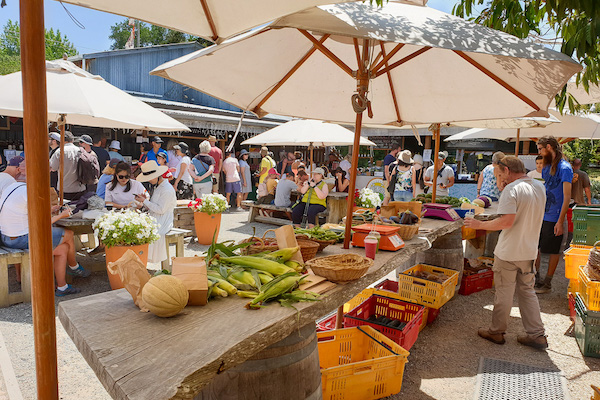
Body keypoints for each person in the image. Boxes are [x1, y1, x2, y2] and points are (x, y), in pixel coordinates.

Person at [465, 156, 548, 349]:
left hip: (509, 251)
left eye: (500, 174)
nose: (499, 179)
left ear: (507, 170)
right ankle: (537, 334)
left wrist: (479, 224)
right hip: (529, 251)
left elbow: (506, 221)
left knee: (504, 292)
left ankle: (497, 331)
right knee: (527, 292)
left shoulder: (512, 189)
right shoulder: (539, 187)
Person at [0, 159, 90, 296]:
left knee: (63, 248)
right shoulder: (31, 192)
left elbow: (27, 215)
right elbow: (42, 223)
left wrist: (50, 210)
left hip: (6, 237)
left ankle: (62, 287)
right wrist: (62, 215)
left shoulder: (13, 187)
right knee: (68, 234)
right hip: (20, 238)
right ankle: (74, 266)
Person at [535, 136, 573, 294]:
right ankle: (535, 277)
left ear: (549, 147)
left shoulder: (565, 168)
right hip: (541, 215)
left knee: (553, 251)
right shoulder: (546, 166)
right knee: (535, 247)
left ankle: (547, 283)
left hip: (555, 216)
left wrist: (560, 221)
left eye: (540, 149)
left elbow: (566, 196)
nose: (539, 153)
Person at [135, 161, 177, 264]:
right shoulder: (157, 186)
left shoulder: (166, 189)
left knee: (152, 233)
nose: (149, 180)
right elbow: (154, 206)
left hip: (164, 219)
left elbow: (161, 210)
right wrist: (145, 201)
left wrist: (144, 201)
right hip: (155, 216)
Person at [49, 131, 86, 200]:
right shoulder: (80, 150)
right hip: (80, 187)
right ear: (72, 140)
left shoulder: (59, 151)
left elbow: (53, 168)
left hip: (64, 188)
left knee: (65, 209)